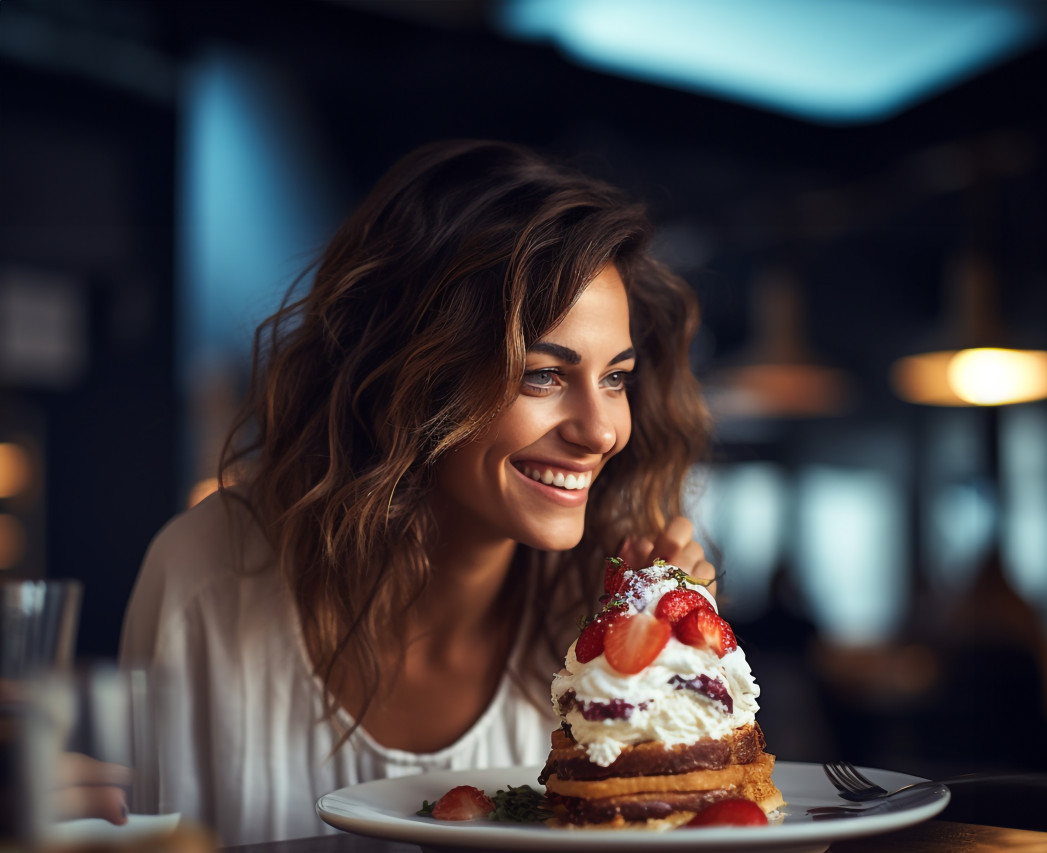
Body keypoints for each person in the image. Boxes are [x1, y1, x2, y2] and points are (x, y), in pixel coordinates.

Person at [119, 140, 715, 845]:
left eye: (615, 377)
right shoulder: (205, 581)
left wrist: (677, 679)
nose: (601, 431)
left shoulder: (598, 631)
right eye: (542, 374)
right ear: (414, 373)